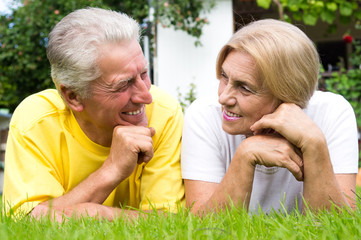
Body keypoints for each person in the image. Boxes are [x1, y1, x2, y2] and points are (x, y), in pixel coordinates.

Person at [3, 7, 184, 221]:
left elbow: (167, 224)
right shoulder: (36, 121)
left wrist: (92, 213)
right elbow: (26, 224)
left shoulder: (164, 113)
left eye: (144, 74)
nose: (147, 96)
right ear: (74, 97)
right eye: (124, 84)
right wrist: (111, 170)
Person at [181, 19, 359, 214]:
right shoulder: (204, 116)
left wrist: (314, 144)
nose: (223, 97)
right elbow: (203, 230)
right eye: (224, 77)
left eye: (244, 88)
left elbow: (337, 227)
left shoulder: (332, 113)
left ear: (287, 96)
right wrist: (245, 155)